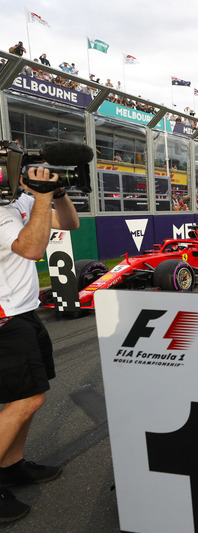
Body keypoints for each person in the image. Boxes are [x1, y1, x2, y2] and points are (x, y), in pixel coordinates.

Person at [0, 165, 80, 523]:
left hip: (24, 311)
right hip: (6, 319)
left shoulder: (15, 202)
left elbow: (70, 224)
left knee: (29, 397)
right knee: (27, 398)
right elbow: (32, 249)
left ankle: (11, 466)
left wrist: (57, 194)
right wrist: (42, 198)